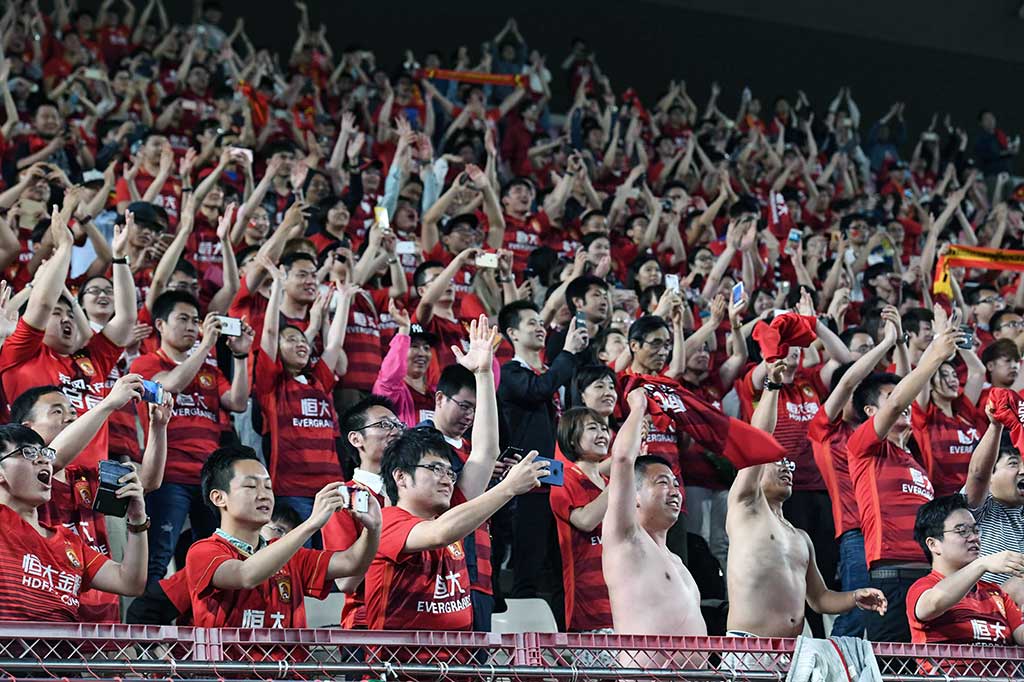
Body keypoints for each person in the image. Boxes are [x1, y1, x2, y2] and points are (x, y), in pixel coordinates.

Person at [726, 359, 888, 639]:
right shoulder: (745, 508)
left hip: (796, 651)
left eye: (790, 464)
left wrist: (854, 597)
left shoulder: (800, 537)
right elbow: (757, 438)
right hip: (749, 649)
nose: (787, 468)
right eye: (778, 462)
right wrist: (773, 387)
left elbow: (820, 599)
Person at [848, 315, 963, 641]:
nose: (905, 403)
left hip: (932, 576)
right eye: (892, 398)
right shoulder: (863, 449)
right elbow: (900, 399)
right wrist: (936, 352)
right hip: (891, 578)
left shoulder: (915, 461)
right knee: (891, 669)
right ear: (872, 413)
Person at [0, 194, 136, 468]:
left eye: (70, 314)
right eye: (57, 315)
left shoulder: (92, 360)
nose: (67, 320)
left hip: (93, 487)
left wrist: (120, 259)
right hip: (39, 476)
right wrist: (64, 247)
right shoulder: (20, 352)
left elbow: (126, 318)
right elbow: (43, 302)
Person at [364, 427, 547, 630]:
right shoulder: (386, 522)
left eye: (449, 473)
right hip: (403, 659)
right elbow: (439, 534)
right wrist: (508, 488)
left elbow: (486, 453)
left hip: (459, 657)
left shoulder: (451, 517)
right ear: (401, 477)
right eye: (435, 469)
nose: (446, 480)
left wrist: (485, 392)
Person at [130, 290, 254, 587]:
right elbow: (167, 387)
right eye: (183, 319)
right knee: (158, 559)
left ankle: (199, 626)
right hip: (169, 476)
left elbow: (237, 401)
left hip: (208, 478)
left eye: (195, 320)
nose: (191, 326)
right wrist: (207, 346)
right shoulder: (145, 364)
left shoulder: (208, 368)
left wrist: (240, 355)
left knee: (214, 558)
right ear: (160, 325)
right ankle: (145, 631)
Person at [184, 447, 381, 628]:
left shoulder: (288, 554)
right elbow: (246, 575)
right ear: (219, 498)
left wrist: (372, 529)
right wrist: (311, 523)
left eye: (268, 487)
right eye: (251, 486)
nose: (264, 495)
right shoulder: (203, 551)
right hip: (230, 667)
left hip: (289, 666)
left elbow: (351, 563)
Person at [497, 299, 588, 628]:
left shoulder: (550, 375)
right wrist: (567, 354)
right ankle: (524, 646)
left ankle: (562, 639)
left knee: (559, 567)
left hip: (559, 481)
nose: (540, 327)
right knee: (528, 567)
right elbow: (537, 391)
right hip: (528, 481)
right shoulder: (509, 373)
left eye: (542, 322)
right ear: (512, 333)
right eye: (531, 322)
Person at [0, 423, 148, 621]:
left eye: (44, 453)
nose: (44, 460)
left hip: (64, 651)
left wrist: (138, 520)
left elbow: (129, 582)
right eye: (28, 452)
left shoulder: (70, 541)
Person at [602, 387, 706, 641]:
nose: (674, 491)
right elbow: (623, 461)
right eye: (662, 482)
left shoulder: (678, 563)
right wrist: (638, 408)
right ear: (633, 496)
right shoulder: (626, 540)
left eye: (675, 482)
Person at [254, 257, 347, 526]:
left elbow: (334, 343)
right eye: (291, 340)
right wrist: (277, 290)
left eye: (302, 340)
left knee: (334, 561)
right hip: (292, 490)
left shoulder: (319, 381)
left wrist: (344, 299)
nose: (300, 344)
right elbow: (271, 332)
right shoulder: (272, 385)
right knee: (301, 563)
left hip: (332, 489)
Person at [322, 395, 404, 630]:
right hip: (366, 624)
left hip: (417, 618)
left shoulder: (413, 491)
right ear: (356, 438)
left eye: (398, 425)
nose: (396, 431)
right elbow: (346, 580)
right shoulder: (343, 497)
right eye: (384, 425)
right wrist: (386, 521)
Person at [907, 494, 1024, 647]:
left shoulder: (995, 593)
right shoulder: (923, 587)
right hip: (946, 672)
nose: (974, 537)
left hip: (1003, 671)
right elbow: (934, 603)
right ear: (933, 544)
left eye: (976, 530)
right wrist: (981, 564)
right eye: (962, 531)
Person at [550, 407, 613, 633]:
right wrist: (620, 480)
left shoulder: (608, 481)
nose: (602, 434)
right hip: (586, 604)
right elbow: (585, 520)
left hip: (621, 599)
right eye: (592, 428)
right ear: (572, 439)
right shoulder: (563, 480)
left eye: (605, 428)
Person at [963, 394, 1024, 606]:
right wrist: (995, 426)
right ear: (992, 477)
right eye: (1013, 463)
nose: (1023, 470)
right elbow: (978, 473)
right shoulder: (978, 508)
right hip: (984, 608)